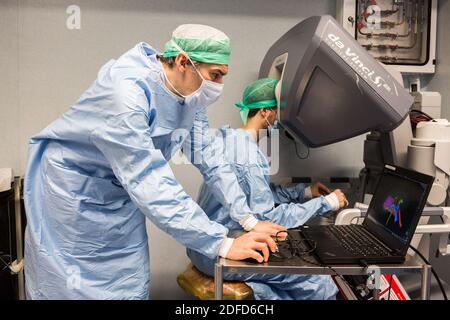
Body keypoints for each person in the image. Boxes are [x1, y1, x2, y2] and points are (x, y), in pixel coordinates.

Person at [23, 25, 283, 300]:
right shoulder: (125, 95)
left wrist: (247, 218)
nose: (218, 86)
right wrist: (222, 243)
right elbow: (150, 180)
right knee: (72, 288)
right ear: (184, 61)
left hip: (121, 194)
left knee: (128, 285)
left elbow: (211, 158)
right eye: (215, 75)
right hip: (73, 196)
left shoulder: (188, 97)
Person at [187, 78, 348, 300]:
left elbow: (258, 194)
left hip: (203, 248)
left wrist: (305, 193)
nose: (279, 119)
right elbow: (267, 218)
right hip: (222, 252)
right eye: (277, 112)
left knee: (271, 294)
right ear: (265, 112)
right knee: (319, 282)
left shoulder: (231, 139)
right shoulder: (249, 157)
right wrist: (325, 204)